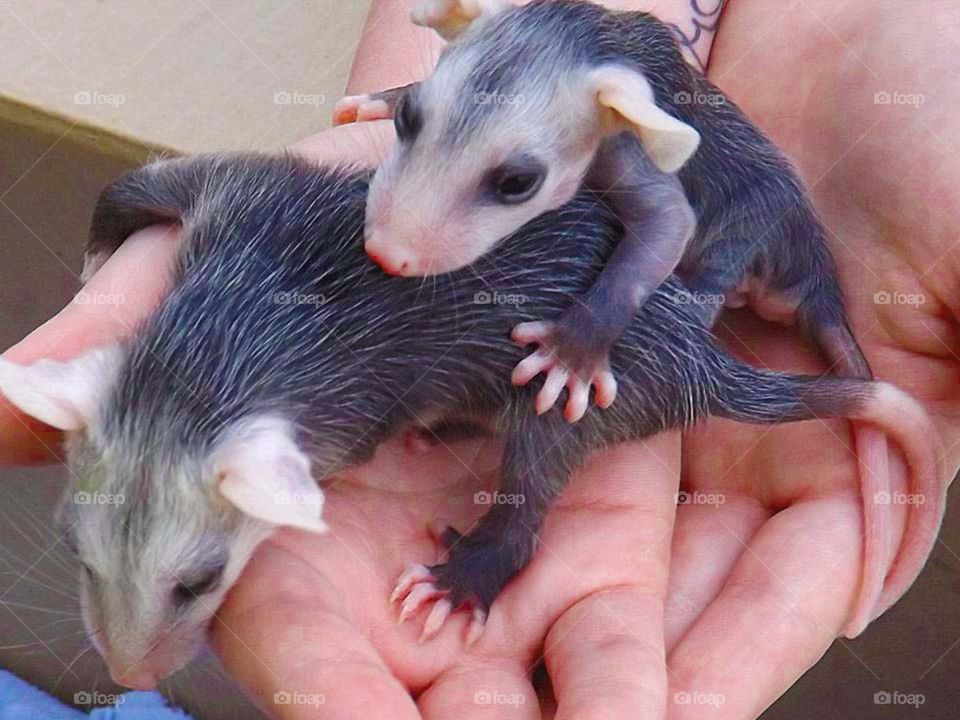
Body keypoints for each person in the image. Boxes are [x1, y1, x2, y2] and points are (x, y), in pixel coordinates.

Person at [1, 1, 957, 717]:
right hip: (599, 261)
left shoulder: (309, 388)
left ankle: (502, 550)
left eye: (193, 580)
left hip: (630, 323)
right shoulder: (240, 238)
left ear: (272, 473)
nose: (130, 666)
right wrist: (130, 203)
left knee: (545, 409)